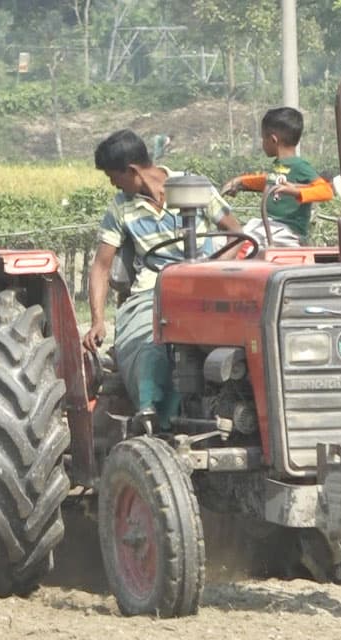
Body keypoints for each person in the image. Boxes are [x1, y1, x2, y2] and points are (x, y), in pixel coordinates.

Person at [82, 129, 243, 427]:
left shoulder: (195, 187)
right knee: (151, 342)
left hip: (204, 287)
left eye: (112, 176)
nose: (112, 183)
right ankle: (152, 412)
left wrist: (210, 272)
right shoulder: (121, 207)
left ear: (131, 171)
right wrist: (97, 321)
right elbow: (102, 267)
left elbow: (236, 234)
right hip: (153, 293)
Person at [220, 107, 334, 247]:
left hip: (287, 231)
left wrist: (295, 191)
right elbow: (267, 181)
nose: (262, 143)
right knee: (230, 239)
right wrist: (240, 182)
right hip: (270, 225)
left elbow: (326, 191)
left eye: (263, 138)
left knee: (241, 246)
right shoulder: (280, 165)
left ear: (273, 140)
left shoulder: (300, 166)